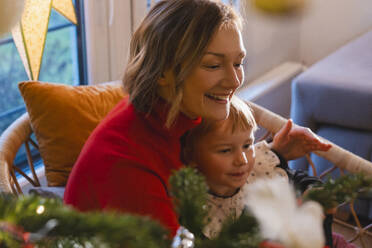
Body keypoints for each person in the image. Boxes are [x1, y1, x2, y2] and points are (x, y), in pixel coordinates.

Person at [63, 0, 328, 240]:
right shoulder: (128, 167)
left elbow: (208, 166)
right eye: (213, 65)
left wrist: (274, 153)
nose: (234, 81)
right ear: (162, 71)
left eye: (238, 63)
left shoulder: (181, 114)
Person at [182, 96, 355, 248]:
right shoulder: (192, 209)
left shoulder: (258, 167)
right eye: (225, 150)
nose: (241, 160)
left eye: (247, 146)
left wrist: (314, 191)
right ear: (191, 156)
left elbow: (295, 179)